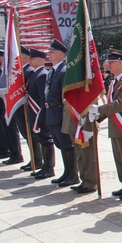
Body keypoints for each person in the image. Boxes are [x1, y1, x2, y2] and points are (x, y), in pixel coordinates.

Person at [89, 48, 122, 200]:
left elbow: (121, 104)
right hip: (114, 124)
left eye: (111, 62)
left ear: (120, 62)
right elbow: (112, 102)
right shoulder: (114, 81)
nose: (108, 65)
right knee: (119, 158)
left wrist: (100, 109)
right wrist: (99, 115)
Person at [45, 39, 79, 187]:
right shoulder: (53, 71)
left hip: (61, 112)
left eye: (52, 52)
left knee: (67, 144)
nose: (49, 54)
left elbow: (66, 95)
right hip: (52, 112)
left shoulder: (64, 71)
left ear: (60, 54)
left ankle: (73, 175)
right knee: (60, 144)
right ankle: (67, 172)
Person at [25, 49, 56, 179]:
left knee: (46, 139)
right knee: (41, 139)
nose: (29, 60)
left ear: (40, 60)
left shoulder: (42, 74)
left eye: (32, 59)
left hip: (40, 112)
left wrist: (42, 114)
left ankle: (49, 167)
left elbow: (43, 98)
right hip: (35, 111)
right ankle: (44, 166)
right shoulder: (34, 74)